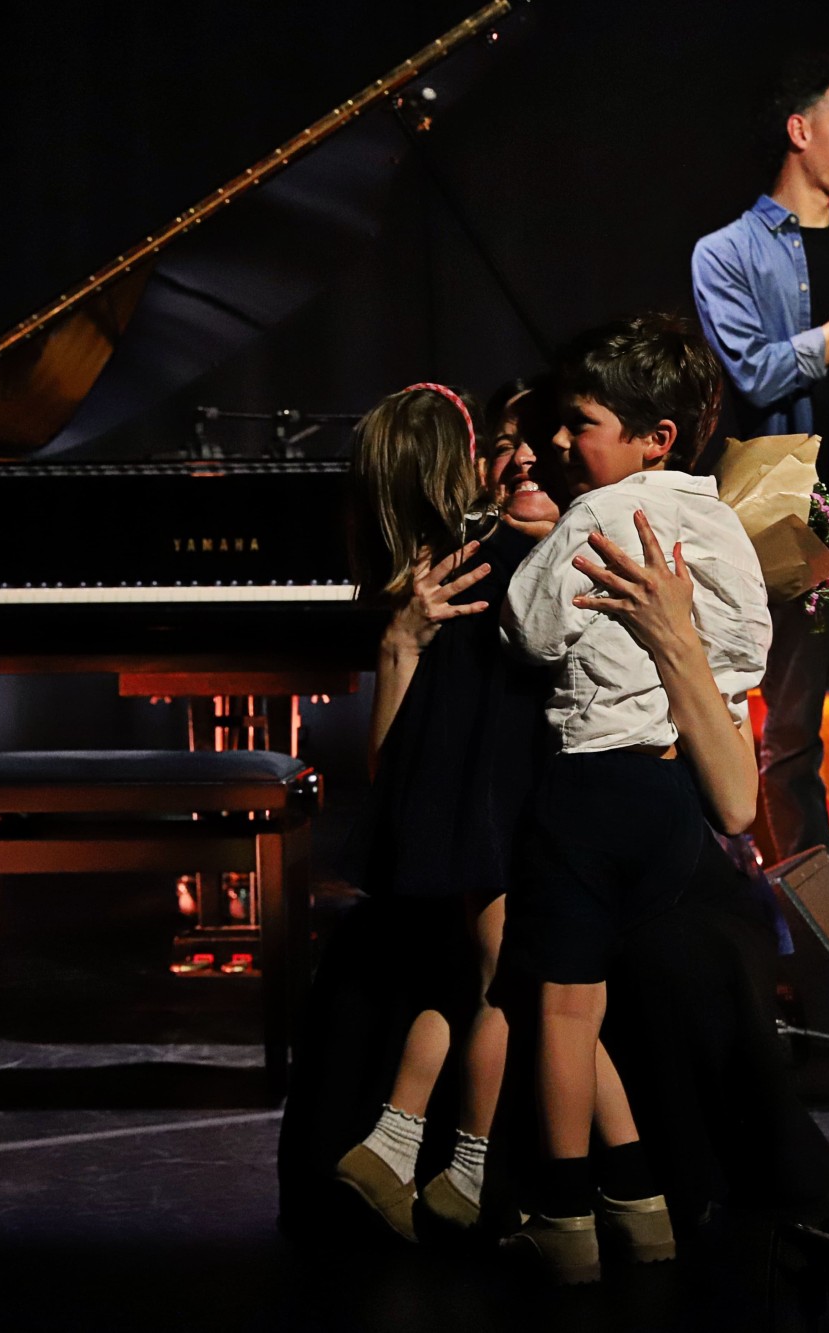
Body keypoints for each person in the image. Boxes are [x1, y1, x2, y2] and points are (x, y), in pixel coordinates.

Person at [498, 314, 770, 1283]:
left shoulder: (597, 515)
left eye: (580, 423)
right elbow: (744, 648)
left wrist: (542, 558)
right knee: (606, 1002)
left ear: (654, 437)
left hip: (589, 788)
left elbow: (530, 631)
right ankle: (644, 1208)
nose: (559, 442)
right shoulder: (719, 519)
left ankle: (564, 1217)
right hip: (670, 796)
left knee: (563, 1011)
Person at [324, 381, 559, 1243]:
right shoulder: (484, 571)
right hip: (492, 817)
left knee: (470, 970)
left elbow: (389, 764)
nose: (519, 461)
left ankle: (395, 1144)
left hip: (446, 825)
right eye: (498, 448)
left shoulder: (439, 570)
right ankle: (470, 1168)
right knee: (505, 972)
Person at [690, 53, 829, 916]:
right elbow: (754, 372)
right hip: (792, 503)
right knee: (789, 725)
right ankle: (813, 915)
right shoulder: (727, 252)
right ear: (801, 130)